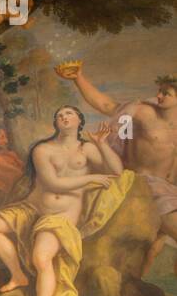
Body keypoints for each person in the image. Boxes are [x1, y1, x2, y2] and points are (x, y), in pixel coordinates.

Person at [0, 106, 131, 296]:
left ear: (79, 121)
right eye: (59, 115)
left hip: (59, 217)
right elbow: (52, 183)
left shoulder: (87, 149)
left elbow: (117, 170)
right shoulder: (43, 149)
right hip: (32, 208)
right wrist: (91, 177)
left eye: (69, 114)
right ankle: (17, 275)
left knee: (42, 258)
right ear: (55, 123)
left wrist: (101, 143)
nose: (63, 117)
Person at [57, 63, 177, 275]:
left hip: (170, 189)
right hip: (147, 186)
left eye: (165, 93)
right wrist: (79, 78)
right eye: (159, 91)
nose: (158, 96)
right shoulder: (142, 112)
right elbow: (107, 105)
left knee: (149, 257)